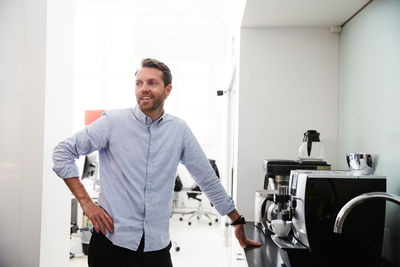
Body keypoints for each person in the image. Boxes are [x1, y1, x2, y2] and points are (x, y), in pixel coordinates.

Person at [52, 58, 261, 267]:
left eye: (152, 83)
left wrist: (236, 220)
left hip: (156, 249)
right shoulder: (112, 123)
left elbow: (207, 178)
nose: (144, 89)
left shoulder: (179, 130)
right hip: (111, 245)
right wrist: (86, 203)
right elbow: (62, 151)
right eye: (139, 83)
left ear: (167, 90)